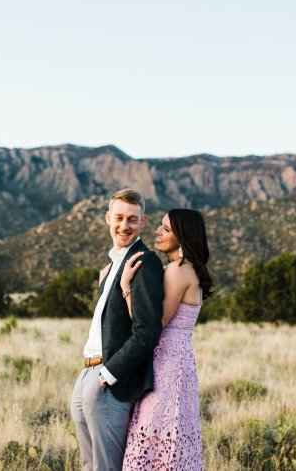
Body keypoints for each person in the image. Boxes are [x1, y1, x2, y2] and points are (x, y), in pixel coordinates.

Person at [69, 188, 165, 471]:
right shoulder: (112, 264)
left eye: (132, 219)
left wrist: (109, 375)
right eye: (119, 218)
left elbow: (147, 331)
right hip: (87, 372)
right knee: (89, 464)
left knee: (107, 466)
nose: (124, 225)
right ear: (107, 218)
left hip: (109, 377)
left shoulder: (144, 262)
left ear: (143, 221)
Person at [120, 208, 214, 470]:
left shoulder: (178, 270)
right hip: (179, 361)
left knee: (154, 429)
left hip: (167, 364)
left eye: (167, 229)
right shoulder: (186, 269)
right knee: (170, 429)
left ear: (183, 238)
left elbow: (152, 324)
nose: (158, 231)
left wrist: (126, 288)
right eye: (160, 225)